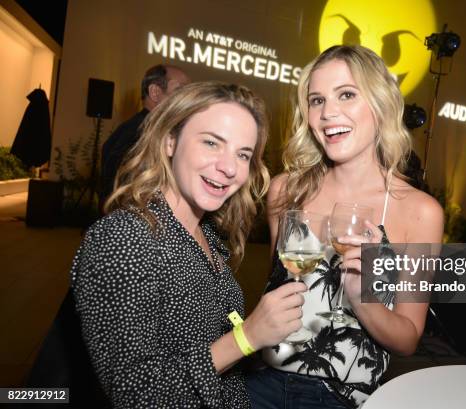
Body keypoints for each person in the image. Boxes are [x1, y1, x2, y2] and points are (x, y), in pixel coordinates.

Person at [71, 82, 307, 408]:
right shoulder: (123, 238)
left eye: (243, 154)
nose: (229, 167)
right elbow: (135, 394)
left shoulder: (205, 233)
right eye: (212, 143)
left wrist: (263, 341)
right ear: (170, 140)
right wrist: (247, 336)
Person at [247, 46, 444, 408]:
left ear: (380, 104)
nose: (328, 113)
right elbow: (274, 295)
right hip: (262, 381)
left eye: (347, 95)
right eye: (316, 100)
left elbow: (408, 339)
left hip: (341, 397)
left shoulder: (419, 211)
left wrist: (360, 296)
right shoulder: (285, 190)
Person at [100, 64, 190, 206]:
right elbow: (127, 194)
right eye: (179, 90)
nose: (187, 99)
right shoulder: (142, 133)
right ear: (154, 92)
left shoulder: (138, 128)